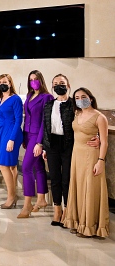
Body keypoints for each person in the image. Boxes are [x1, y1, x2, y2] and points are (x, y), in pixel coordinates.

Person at [42, 74, 100, 226]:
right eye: (55, 83)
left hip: (69, 145)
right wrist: (44, 146)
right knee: (54, 179)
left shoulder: (75, 104)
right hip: (52, 145)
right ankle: (57, 210)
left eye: (61, 83)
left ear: (68, 85)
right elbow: (46, 127)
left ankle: (68, 211)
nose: (58, 86)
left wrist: (98, 136)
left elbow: (89, 119)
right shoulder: (48, 105)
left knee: (67, 179)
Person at [63, 88, 109, 238]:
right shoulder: (78, 114)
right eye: (77, 97)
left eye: (83, 96)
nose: (80, 99)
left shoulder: (99, 117)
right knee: (78, 188)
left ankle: (89, 226)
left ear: (90, 97)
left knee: (89, 190)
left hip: (91, 157)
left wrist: (101, 161)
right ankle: (78, 223)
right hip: (77, 156)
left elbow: (105, 142)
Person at [17, 70, 54, 218]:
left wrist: (40, 143)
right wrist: (25, 138)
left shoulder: (47, 97)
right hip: (28, 134)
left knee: (26, 167)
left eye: (36, 79)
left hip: (37, 136)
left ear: (41, 80)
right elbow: (27, 117)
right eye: (31, 79)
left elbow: (46, 122)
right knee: (38, 167)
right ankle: (41, 199)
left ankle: (27, 204)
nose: (33, 81)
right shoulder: (29, 95)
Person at [0, 74, 23, 209]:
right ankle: (13, 195)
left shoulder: (15, 99)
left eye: (5, 82)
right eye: (0, 82)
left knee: (3, 165)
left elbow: (18, 120)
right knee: (11, 166)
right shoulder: (1, 99)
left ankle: (11, 197)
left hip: (12, 131)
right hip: (2, 131)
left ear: (10, 83)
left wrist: (11, 139)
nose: (2, 84)